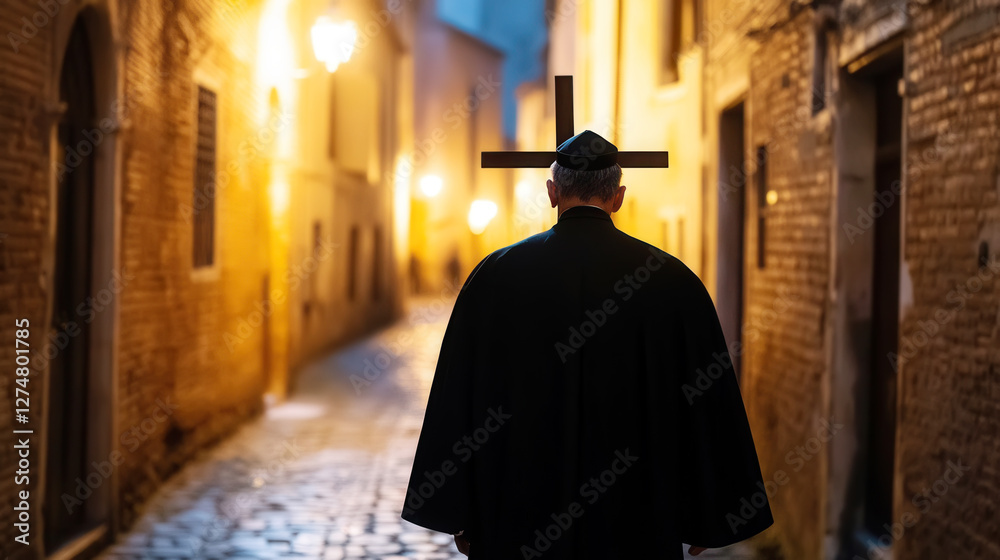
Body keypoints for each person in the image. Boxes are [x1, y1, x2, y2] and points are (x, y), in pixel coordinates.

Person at [400, 130, 773, 559]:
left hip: (517, 517)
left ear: (552, 192)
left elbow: (457, 396)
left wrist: (458, 509)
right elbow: (708, 402)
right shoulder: (672, 281)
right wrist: (712, 512)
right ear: (618, 196)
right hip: (635, 521)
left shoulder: (495, 276)